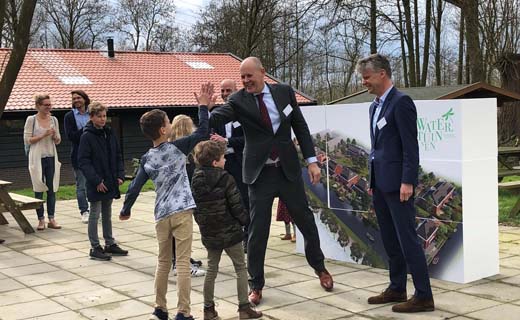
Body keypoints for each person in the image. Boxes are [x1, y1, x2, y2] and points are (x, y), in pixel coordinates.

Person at [203, 57, 333, 305]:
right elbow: (219, 117)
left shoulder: (283, 92)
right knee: (257, 231)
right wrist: (206, 109)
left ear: (263, 73)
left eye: (249, 76)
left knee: (305, 222)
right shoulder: (238, 100)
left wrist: (312, 160)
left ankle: (320, 268)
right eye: (242, 77)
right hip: (259, 174)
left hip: (287, 171)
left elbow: (300, 127)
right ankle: (256, 284)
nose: (245, 81)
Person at [120, 84, 214, 320]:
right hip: (181, 211)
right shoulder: (177, 147)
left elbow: (134, 187)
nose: (172, 125)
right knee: (182, 262)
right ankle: (183, 312)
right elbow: (203, 132)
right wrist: (203, 106)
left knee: (163, 262)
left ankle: (159, 308)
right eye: (169, 122)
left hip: (161, 214)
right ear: (163, 129)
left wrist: (125, 209)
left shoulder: (146, 158)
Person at [357, 53, 434, 313]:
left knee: (408, 240)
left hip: (399, 185)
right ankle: (397, 287)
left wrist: (407, 181)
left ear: (382, 74)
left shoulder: (402, 103)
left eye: (366, 77)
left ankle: (423, 295)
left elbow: (410, 148)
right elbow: (377, 148)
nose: (364, 82)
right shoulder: (374, 106)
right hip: (380, 184)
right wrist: (372, 179)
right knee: (389, 239)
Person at [191, 140, 262, 320]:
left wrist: (202, 224)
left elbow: (195, 208)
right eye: (223, 158)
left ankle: (208, 309)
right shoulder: (226, 178)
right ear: (215, 162)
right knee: (240, 267)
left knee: (212, 269)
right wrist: (246, 221)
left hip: (210, 233)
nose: (225, 161)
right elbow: (236, 205)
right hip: (231, 232)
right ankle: (244, 309)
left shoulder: (195, 179)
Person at [78, 102, 128, 261]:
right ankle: (95, 246)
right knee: (95, 213)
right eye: (98, 116)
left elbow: (117, 154)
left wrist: (120, 174)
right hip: (97, 182)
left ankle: (109, 243)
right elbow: (83, 161)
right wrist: (96, 181)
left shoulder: (109, 133)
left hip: (110, 180)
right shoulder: (87, 136)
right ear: (91, 117)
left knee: (107, 213)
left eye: (104, 116)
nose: (102, 119)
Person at [210, 79, 249, 252]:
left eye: (229, 90)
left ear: (236, 91)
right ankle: (231, 238)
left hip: (240, 163)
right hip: (222, 164)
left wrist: (227, 141)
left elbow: (249, 139)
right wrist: (207, 109)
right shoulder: (217, 113)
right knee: (224, 201)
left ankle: (248, 237)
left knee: (244, 200)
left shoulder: (245, 112)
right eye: (223, 90)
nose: (225, 94)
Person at [169, 114, 206, 277]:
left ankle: (182, 259)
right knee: (181, 231)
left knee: (180, 231)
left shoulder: (173, 147)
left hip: (178, 197)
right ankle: (179, 264)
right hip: (181, 198)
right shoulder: (182, 149)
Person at [24, 94, 62, 231]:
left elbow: (58, 141)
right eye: (45, 105)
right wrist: (43, 134)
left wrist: (55, 136)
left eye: (49, 104)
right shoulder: (31, 120)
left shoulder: (54, 119)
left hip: (51, 156)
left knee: (51, 189)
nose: (48, 107)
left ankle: (51, 218)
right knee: (39, 187)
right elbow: (28, 140)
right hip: (37, 157)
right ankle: (41, 220)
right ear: (38, 106)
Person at [64, 90, 91, 223]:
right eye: (74, 99)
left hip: (95, 155)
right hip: (78, 155)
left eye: (78, 98)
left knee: (95, 183)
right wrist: (87, 129)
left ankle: (95, 209)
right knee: (81, 185)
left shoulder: (92, 113)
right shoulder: (69, 116)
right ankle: (84, 211)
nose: (76, 100)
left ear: (85, 99)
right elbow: (72, 136)